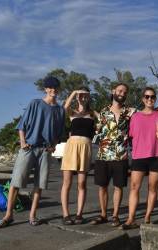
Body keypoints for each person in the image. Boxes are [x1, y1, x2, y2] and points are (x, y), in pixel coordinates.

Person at [0, 76, 65, 229]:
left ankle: (32, 215)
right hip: (29, 148)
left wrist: (53, 146)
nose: (53, 89)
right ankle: (8, 215)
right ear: (45, 89)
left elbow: (59, 133)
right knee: (15, 182)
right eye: (50, 87)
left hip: (45, 151)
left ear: (58, 89)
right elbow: (22, 125)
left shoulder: (60, 110)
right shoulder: (35, 103)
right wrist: (22, 142)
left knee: (39, 185)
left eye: (55, 87)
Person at [121, 87, 158, 229]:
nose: (150, 99)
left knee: (152, 187)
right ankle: (131, 219)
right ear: (143, 99)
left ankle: (147, 217)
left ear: (155, 99)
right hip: (139, 156)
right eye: (147, 96)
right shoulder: (135, 117)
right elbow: (128, 136)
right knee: (134, 187)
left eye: (152, 97)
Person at [91, 83, 135, 227]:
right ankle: (103, 214)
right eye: (120, 90)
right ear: (113, 91)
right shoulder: (103, 112)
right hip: (103, 156)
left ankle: (115, 215)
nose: (122, 93)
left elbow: (144, 118)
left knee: (118, 187)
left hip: (121, 156)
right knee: (102, 186)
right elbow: (97, 132)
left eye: (125, 91)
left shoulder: (130, 112)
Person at [60, 87, 95, 225]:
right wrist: (75, 92)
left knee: (82, 183)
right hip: (72, 147)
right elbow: (65, 107)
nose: (83, 98)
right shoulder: (72, 112)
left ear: (89, 97)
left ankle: (79, 214)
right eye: (81, 96)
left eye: (86, 96)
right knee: (67, 182)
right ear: (77, 97)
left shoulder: (92, 114)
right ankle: (66, 214)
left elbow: (107, 116)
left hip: (85, 147)